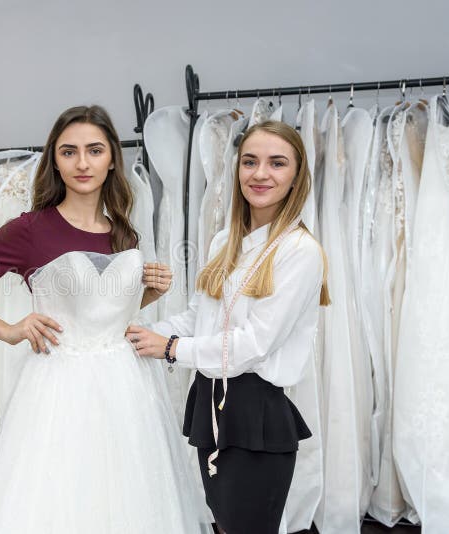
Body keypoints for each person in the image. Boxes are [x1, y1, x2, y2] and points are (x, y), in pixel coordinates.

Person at [0, 105, 212, 533]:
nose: (82, 163)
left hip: (124, 387)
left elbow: (105, 311)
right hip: (57, 389)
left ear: (112, 158)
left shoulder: (124, 232)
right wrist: (9, 331)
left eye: (94, 150)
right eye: (69, 152)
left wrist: (151, 292)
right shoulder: (30, 229)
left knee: (125, 501)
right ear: (54, 160)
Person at [126, 120, 330, 534]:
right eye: (250, 162)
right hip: (210, 402)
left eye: (277, 163)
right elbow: (200, 317)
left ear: (295, 177)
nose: (260, 173)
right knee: (224, 524)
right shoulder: (225, 242)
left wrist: (169, 348)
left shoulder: (300, 251)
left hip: (255, 411)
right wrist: (139, 332)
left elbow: (254, 344)